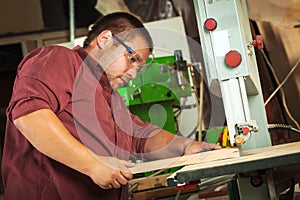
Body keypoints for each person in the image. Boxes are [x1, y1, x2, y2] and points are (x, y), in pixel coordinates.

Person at [2, 12, 221, 200]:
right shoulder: (58, 59)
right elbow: (29, 116)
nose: (133, 72)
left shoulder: (110, 96)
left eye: (139, 67)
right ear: (105, 39)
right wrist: (92, 164)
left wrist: (187, 147)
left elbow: (139, 137)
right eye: (132, 58)